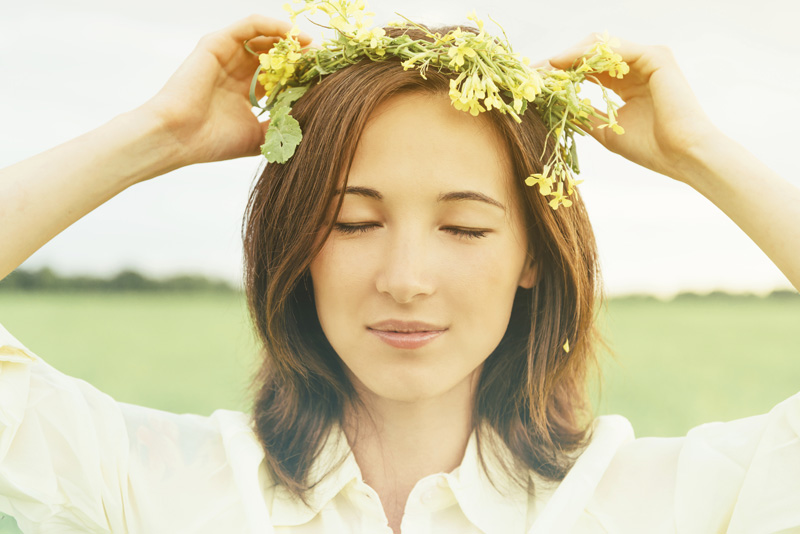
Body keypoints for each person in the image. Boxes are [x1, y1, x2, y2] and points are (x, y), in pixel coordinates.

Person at [0, 11, 798, 534]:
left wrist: (702, 155)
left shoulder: (666, 501)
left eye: (463, 226)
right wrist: (155, 133)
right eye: (353, 222)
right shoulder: (160, 485)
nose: (406, 277)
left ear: (532, 257)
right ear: (296, 244)